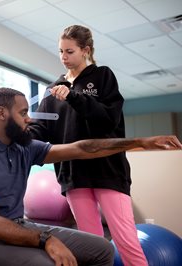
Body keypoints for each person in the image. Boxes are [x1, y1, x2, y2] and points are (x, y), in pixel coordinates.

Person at [0, 87, 182, 266]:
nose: (29, 120)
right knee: (51, 263)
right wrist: (46, 239)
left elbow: (83, 148)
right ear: (2, 113)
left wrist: (139, 142)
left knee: (102, 249)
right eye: (23, 113)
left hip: (19, 225)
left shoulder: (23, 148)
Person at [28, 24, 156, 265]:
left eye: (70, 51)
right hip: (74, 174)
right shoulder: (52, 90)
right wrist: (20, 131)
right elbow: (41, 128)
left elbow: (108, 120)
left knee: (127, 241)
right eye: (60, 52)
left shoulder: (103, 76)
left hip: (108, 170)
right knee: (91, 245)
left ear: (85, 50)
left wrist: (74, 96)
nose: (64, 57)